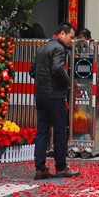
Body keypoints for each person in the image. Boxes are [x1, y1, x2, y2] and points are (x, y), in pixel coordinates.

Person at [33, 23, 79, 180]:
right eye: (71, 37)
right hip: (55, 95)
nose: (71, 41)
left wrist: (43, 82)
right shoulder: (59, 48)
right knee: (60, 131)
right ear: (62, 34)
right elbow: (58, 68)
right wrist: (68, 83)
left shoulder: (42, 48)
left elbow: (32, 71)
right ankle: (61, 167)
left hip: (41, 95)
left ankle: (40, 168)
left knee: (42, 131)